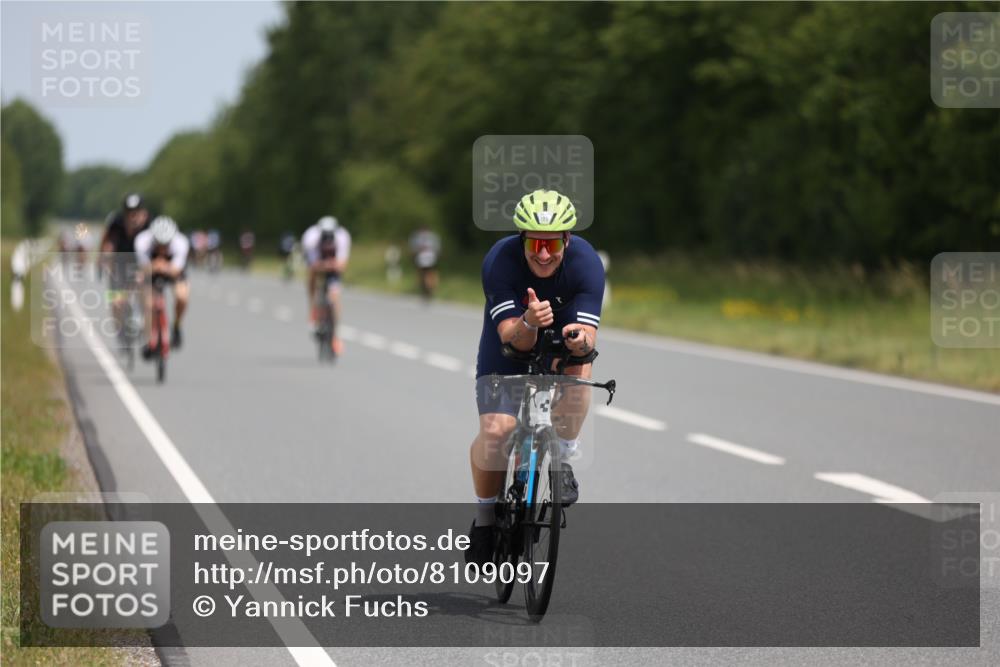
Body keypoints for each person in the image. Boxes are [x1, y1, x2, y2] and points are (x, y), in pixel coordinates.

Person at [464, 189, 605, 566]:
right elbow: (511, 338)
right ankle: (484, 521)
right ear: (522, 239)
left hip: (560, 334)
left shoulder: (586, 263)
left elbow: (588, 336)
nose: (543, 254)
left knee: (581, 366)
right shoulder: (500, 261)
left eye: (552, 244)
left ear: (567, 240)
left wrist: (577, 340)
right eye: (535, 243)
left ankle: (564, 456)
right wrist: (529, 322)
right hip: (510, 342)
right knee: (496, 431)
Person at [134, 216, 190, 355]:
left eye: (166, 245)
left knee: (182, 297)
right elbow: (144, 268)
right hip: (151, 271)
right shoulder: (142, 241)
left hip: (172, 271)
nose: (162, 248)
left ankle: (176, 325)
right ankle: (147, 334)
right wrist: (155, 267)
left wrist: (162, 266)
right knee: (147, 302)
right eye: (159, 244)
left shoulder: (181, 242)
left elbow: (176, 270)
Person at [100, 194, 149, 336]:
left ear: (143, 212)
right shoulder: (116, 222)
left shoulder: (149, 224)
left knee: (145, 292)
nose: (133, 217)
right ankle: (119, 328)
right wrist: (104, 259)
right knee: (116, 301)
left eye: (136, 212)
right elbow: (107, 243)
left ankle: (144, 323)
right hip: (119, 263)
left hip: (141, 263)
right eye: (129, 213)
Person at [301, 216, 351, 355]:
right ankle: (313, 307)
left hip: (333, 266)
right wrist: (322, 265)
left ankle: (336, 335)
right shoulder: (311, 238)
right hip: (317, 261)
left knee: (335, 296)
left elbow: (342, 266)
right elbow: (312, 265)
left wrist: (331, 265)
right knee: (312, 277)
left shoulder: (342, 237)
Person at [408, 226, 441, 299]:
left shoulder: (418, 237)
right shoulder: (433, 236)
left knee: (423, 273)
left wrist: (413, 256)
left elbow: (414, 248)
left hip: (422, 258)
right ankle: (431, 287)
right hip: (431, 258)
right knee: (431, 272)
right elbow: (437, 248)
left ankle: (426, 288)